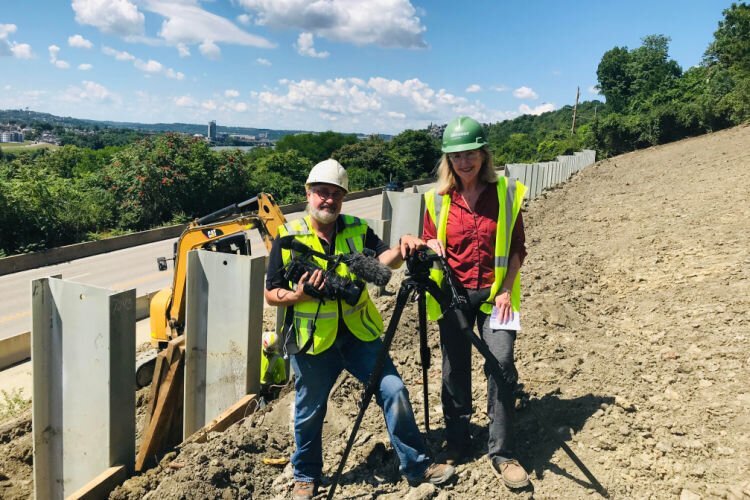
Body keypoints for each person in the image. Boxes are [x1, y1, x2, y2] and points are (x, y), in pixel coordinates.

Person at [264, 159, 456, 500]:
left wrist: (402, 245)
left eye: (336, 194)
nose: (329, 200)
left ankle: (416, 464)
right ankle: (305, 476)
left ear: (343, 198)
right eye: (322, 192)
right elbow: (270, 292)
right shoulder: (288, 236)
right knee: (310, 412)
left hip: (359, 335)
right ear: (308, 194)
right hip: (313, 342)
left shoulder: (356, 228)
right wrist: (298, 295)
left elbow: (385, 261)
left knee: (394, 390)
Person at [421, 116, 530, 490]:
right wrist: (428, 246)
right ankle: (457, 439)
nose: (464, 162)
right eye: (456, 156)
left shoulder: (506, 193)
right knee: (454, 368)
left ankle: (502, 452)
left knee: (500, 362)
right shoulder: (436, 200)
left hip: (498, 295)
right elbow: (427, 241)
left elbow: (517, 248)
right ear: (448, 161)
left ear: (484, 155)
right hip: (453, 296)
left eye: (470, 154)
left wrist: (505, 288)